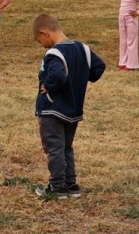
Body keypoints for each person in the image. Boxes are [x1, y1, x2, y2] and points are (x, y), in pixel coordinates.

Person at [33, 14, 106, 199]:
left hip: (52, 108)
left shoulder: (54, 53)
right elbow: (99, 67)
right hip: (73, 109)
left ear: (44, 33)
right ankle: (71, 184)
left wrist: (49, 85)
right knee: (66, 146)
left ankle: (57, 187)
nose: (42, 44)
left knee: (54, 148)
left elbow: (57, 75)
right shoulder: (83, 48)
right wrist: (80, 77)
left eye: (39, 40)